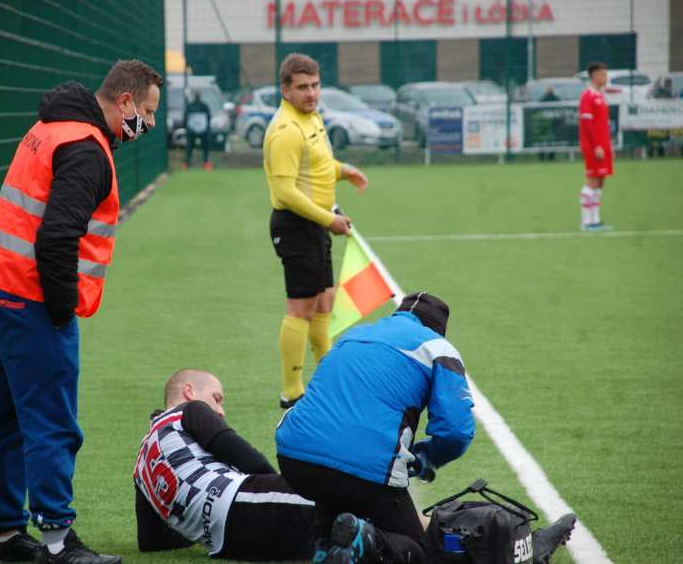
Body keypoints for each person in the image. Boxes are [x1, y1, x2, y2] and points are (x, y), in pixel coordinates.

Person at [0, 60, 163, 564]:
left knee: (9, 418)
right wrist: (60, 310)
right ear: (123, 101)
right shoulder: (86, 149)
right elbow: (56, 236)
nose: (148, 126)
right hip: (31, 296)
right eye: (145, 113)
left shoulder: (52, 125)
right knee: (52, 421)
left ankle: (6, 538)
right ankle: (58, 540)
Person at [276, 292, 473, 563]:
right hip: (365, 471)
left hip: (294, 459)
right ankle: (365, 540)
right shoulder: (438, 348)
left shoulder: (353, 335)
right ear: (439, 329)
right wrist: (426, 458)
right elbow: (456, 431)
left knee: (331, 489)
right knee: (417, 550)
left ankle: (324, 548)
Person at [263, 53, 369, 409]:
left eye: (315, 85)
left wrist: (344, 170)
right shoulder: (285, 130)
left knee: (324, 303)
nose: (311, 93)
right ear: (286, 90)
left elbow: (318, 166)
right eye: (302, 87)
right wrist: (329, 220)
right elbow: (285, 193)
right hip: (297, 226)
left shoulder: (312, 118)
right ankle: (291, 391)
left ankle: (327, 377)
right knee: (301, 309)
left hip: (317, 222)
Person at [133, 369, 317, 561]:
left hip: (227, 544)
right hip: (242, 502)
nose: (221, 411)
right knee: (334, 496)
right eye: (217, 398)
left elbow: (151, 542)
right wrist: (283, 484)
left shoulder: (140, 467)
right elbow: (248, 459)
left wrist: (198, 525)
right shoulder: (188, 410)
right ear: (189, 392)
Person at [578, 62, 614, 232]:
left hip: (603, 145)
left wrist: (607, 144)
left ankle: (596, 220)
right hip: (593, 146)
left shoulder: (601, 95)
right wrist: (596, 145)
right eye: (602, 74)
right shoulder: (588, 96)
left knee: (600, 181)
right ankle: (587, 222)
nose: (605, 78)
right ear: (594, 76)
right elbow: (587, 123)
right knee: (592, 180)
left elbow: (602, 124)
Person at [184, 91, 212, 170]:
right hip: (192, 130)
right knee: (189, 147)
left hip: (203, 131)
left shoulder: (204, 106)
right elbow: (186, 119)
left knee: (205, 146)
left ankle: (206, 163)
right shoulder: (190, 106)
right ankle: (187, 164)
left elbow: (208, 118)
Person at [538, 86, 560, 161]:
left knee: (546, 140)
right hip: (549, 125)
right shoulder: (555, 99)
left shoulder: (543, 99)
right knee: (549, 140)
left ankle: (544, 156)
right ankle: (549, 156)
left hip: (546, 125)